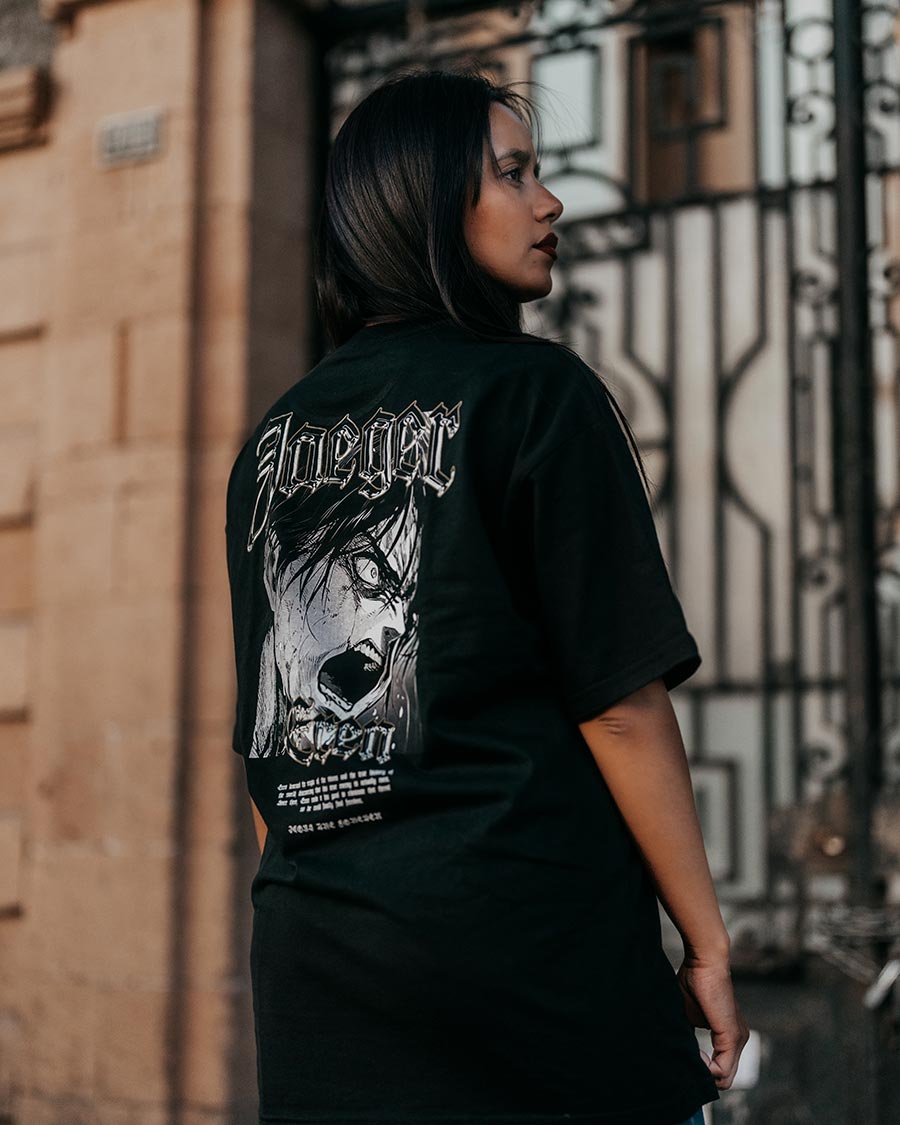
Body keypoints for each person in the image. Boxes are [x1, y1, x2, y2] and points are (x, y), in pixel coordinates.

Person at [225, 66, 749, 1125]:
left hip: (321, 979)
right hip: (528, 970)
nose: (548, 203)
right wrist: (706, 941)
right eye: (513, 174)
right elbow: (619, 704)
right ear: (425, 201)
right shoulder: (537, 394)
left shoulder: (270, 446)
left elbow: (269, 752)